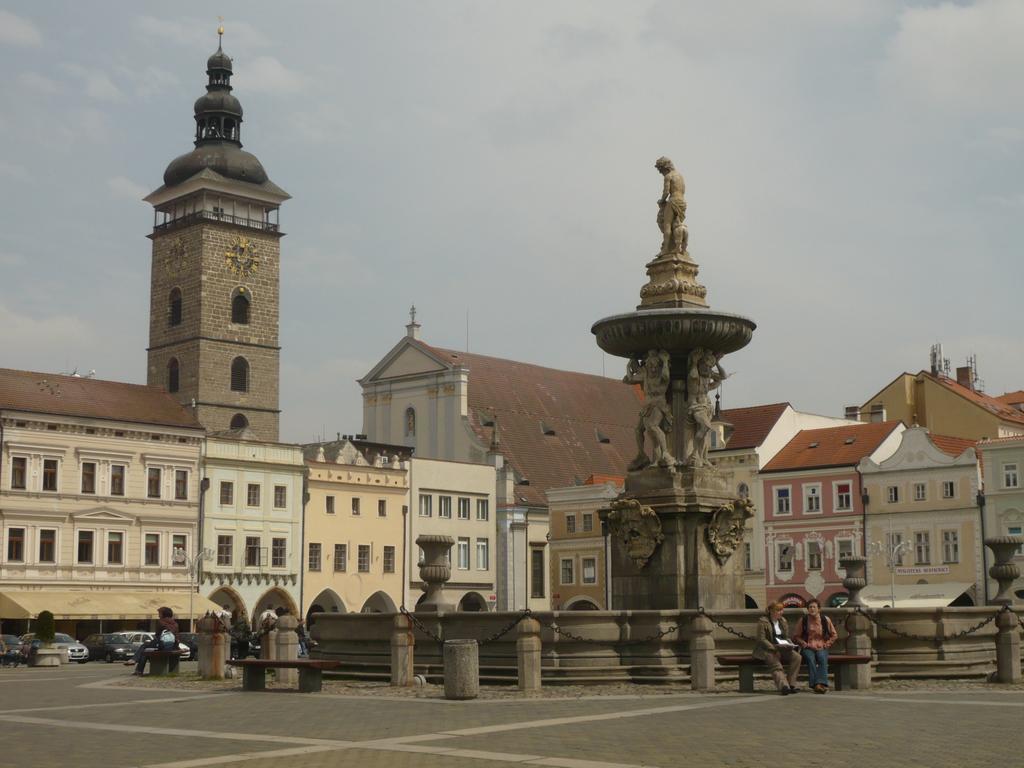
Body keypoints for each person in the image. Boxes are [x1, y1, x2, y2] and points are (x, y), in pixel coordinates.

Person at [753, 602, 801, 695]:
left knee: (797, 657)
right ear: (771, 611)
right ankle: (784, 686)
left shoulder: (783, 621)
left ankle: (791, 684)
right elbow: (761, 639)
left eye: (782, 610)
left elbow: (785, 637)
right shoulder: (763, 622)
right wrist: (773, 647)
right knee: (776, 665)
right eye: (778, 610)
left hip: (782, 647)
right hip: (767, 649)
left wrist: (790, 644)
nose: (781, 612)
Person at [793, 599, 837, 693]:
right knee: (810, 659)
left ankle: (819, 684)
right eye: (810, 607)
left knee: (822, 658)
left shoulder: (825, 619)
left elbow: (834, 635)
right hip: (808, 647)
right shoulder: (803, 620)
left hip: (822, 646)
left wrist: (827, 644)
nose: (812, 609)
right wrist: (804, 643)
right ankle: (817, 685)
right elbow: (796, 636)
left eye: (814, 607)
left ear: (818, 609)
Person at [129, 607, 179, 676]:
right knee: (145, 650)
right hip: (174, 646)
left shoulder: (161, 622)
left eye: (159, 613)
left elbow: (158, 636)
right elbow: (176, 636)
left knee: (145, 646)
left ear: (163, 614)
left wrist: (152, 642)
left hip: (163, 646)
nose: (158, 615)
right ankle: (137, 667)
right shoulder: (175, 623)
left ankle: (135, 662)